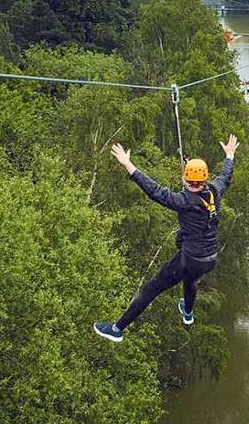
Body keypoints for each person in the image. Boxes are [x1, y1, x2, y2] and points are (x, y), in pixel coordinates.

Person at [93, 135, 238, 342]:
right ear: (205, 179)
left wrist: (128, 165)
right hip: (210, 259)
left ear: (186, 180)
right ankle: (187, 313)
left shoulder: (183, 200)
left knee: (152, 288)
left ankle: (117, 329)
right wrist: (230, 155)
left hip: (191, 259)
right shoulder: (215, 190)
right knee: (190, 281)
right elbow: (225, 175)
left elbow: (155, 191)